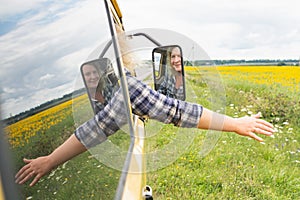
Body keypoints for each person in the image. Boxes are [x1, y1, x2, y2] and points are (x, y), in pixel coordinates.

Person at [15, 26, 275, 187]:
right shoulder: (128, 87)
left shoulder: (127, 87)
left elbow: (175, 110)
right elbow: (178, 111)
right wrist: (236, 123)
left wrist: (50, 160)